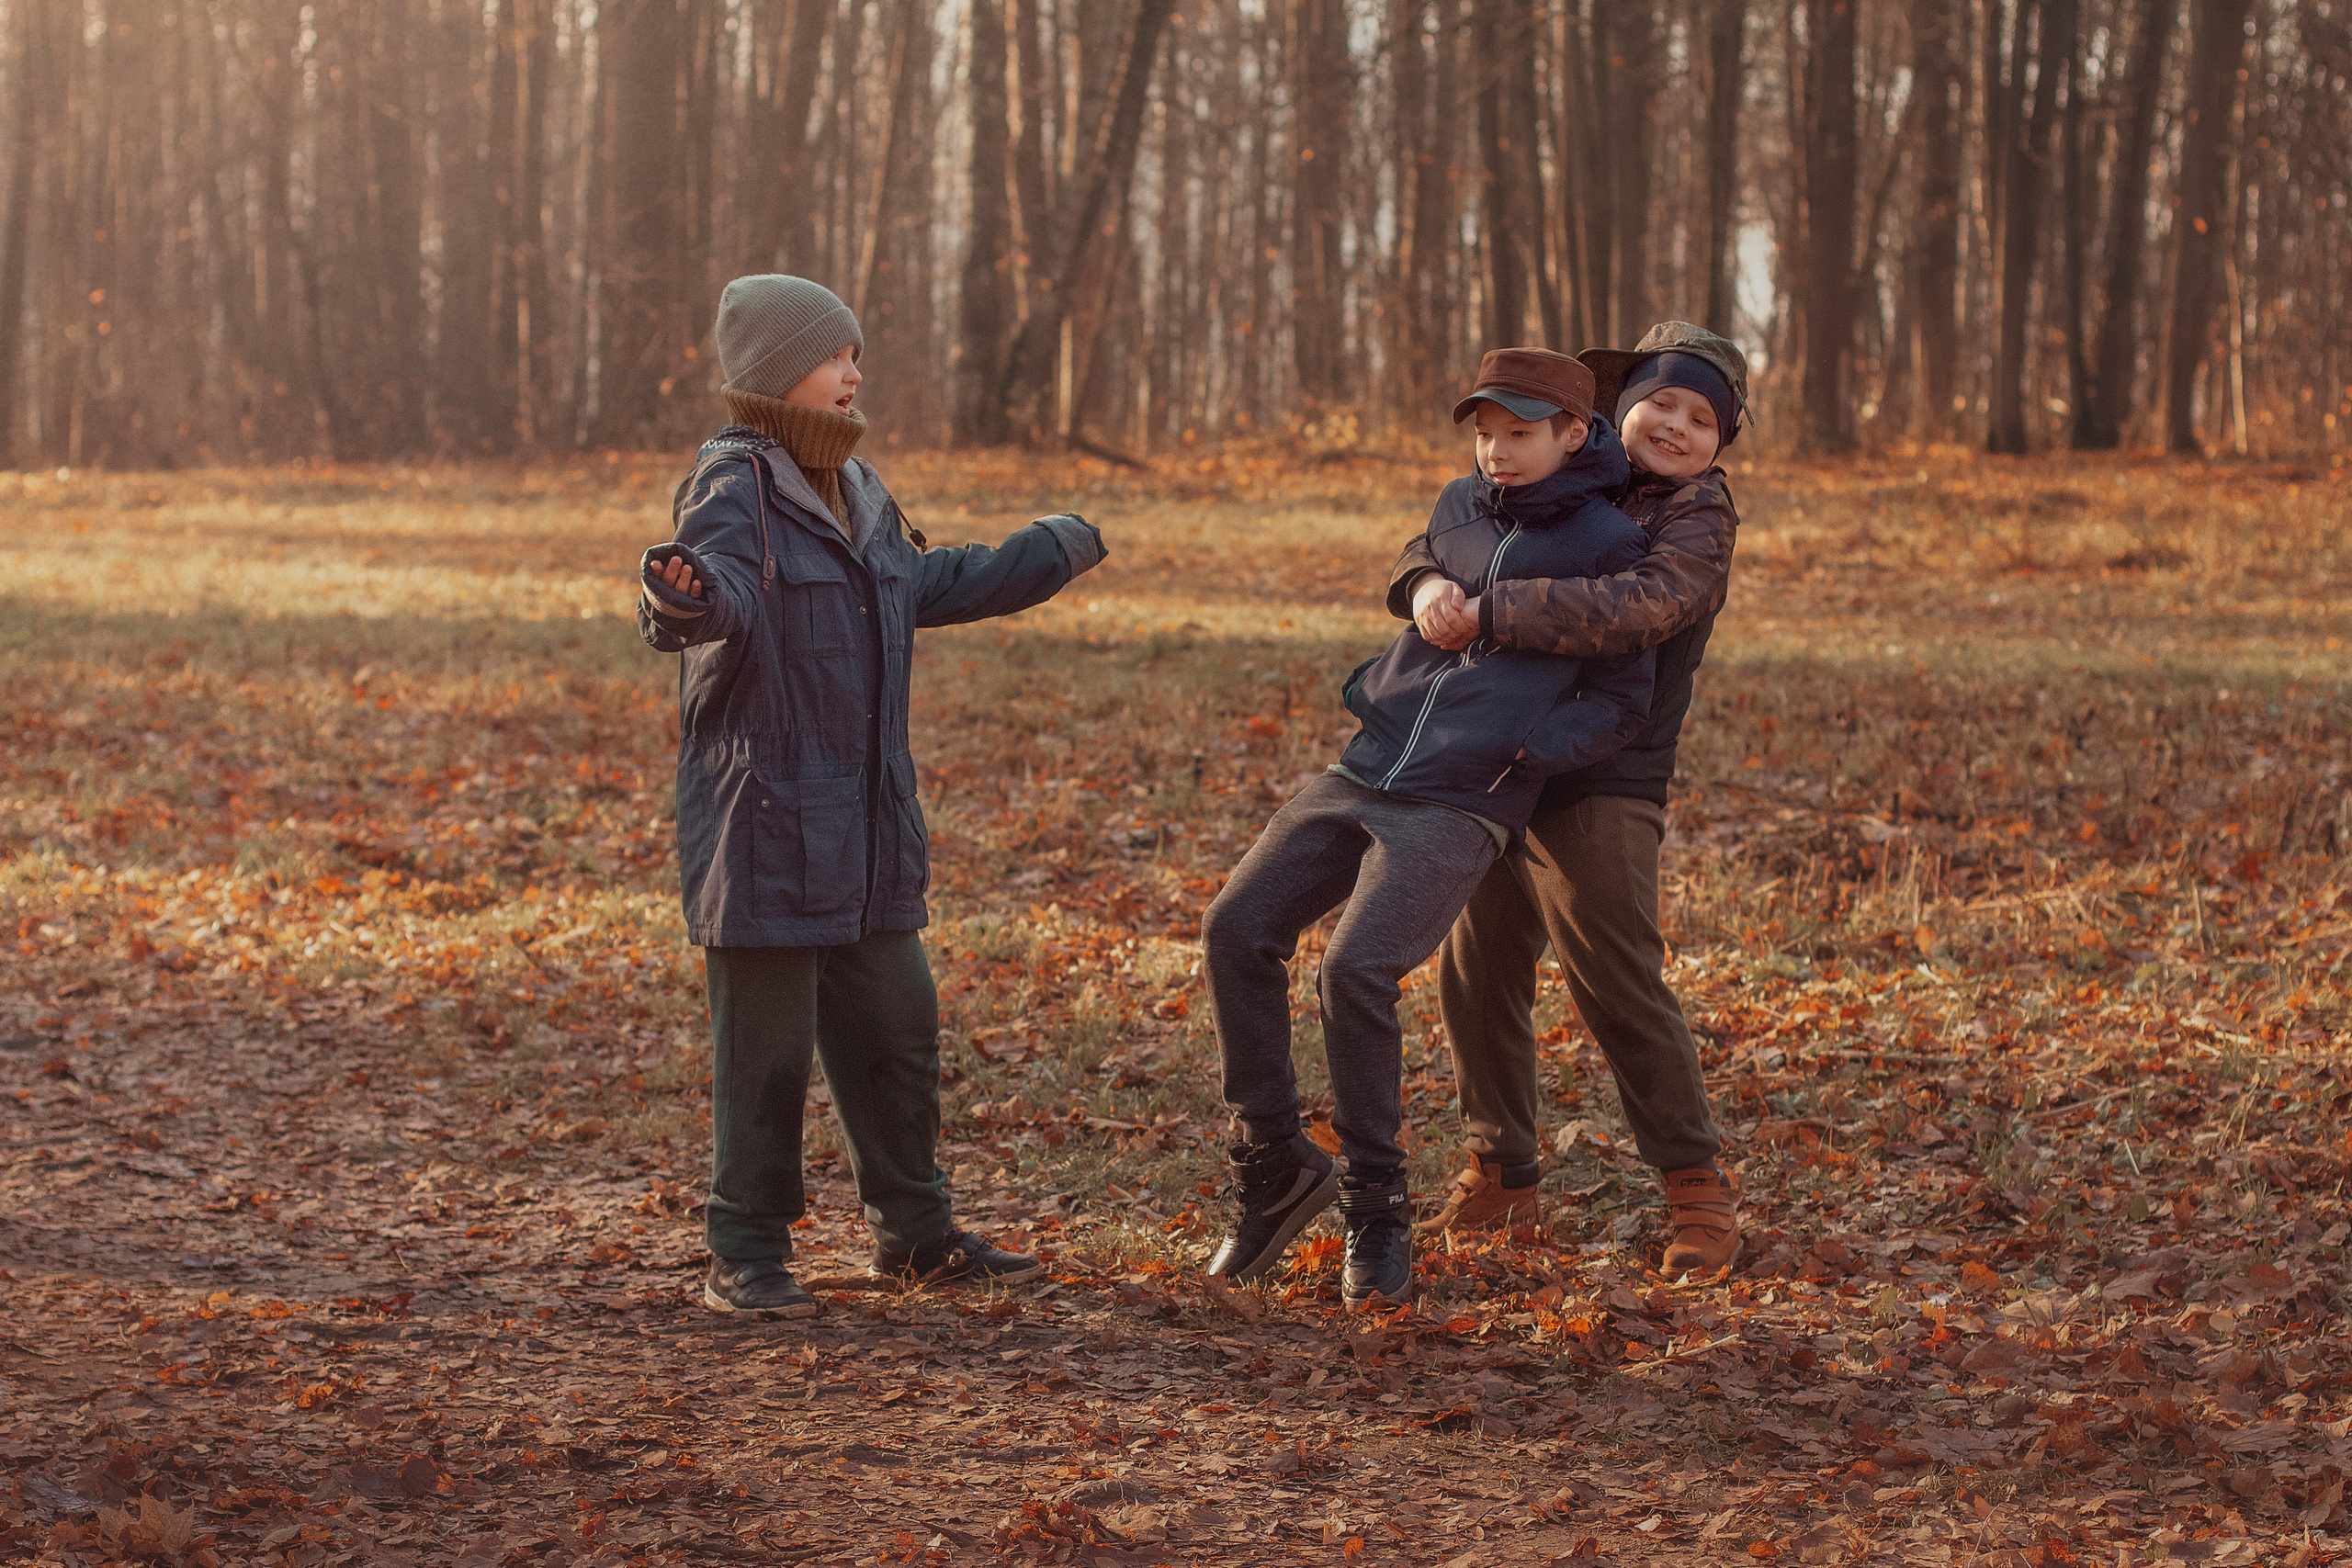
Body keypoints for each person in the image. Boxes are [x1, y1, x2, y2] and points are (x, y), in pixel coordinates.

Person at [637, 275, 1106, 1318]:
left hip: (867, 824)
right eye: (837, 353)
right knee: (765, 1055)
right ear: (779, 369)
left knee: (900, 1025)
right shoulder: (736, 486)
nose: (856, 373)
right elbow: (711, 592)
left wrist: (1053, 548)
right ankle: (745, 1251)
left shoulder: (859, 487)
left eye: (855, 354)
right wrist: (681, 602)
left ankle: (916, 1236)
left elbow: (922, 585)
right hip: (765, 824)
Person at [1201, 347, 1656, 1311]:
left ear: (1574, 434)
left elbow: (1625, 696)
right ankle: (1275, 1158)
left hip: (1464, 799)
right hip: (1364, 765)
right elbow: (1417, 558)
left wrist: (1523, 751)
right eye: (1484, 433)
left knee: (1355, 969)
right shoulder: (1456, 505)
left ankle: (1376, 1206)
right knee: (1236, 928)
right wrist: (1412, 597)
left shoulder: (1614, 542)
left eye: (1519, 434)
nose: (1495, 452)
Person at [1397, 321, 1750, 1277]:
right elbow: (1454, 527)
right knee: (1477, 970)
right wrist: (1423, 579)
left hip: (1604, 776)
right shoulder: (1558, 457)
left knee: (1616, 979)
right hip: (1499, 759)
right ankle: (1503, 1174)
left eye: (1699, 418)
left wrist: (1498, 610)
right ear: (1616, 406)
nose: (1673, 427)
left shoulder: (1698, 518)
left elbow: (1644, 606)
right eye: (1659, 403)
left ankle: (1695, 1190)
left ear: (1719, 443)